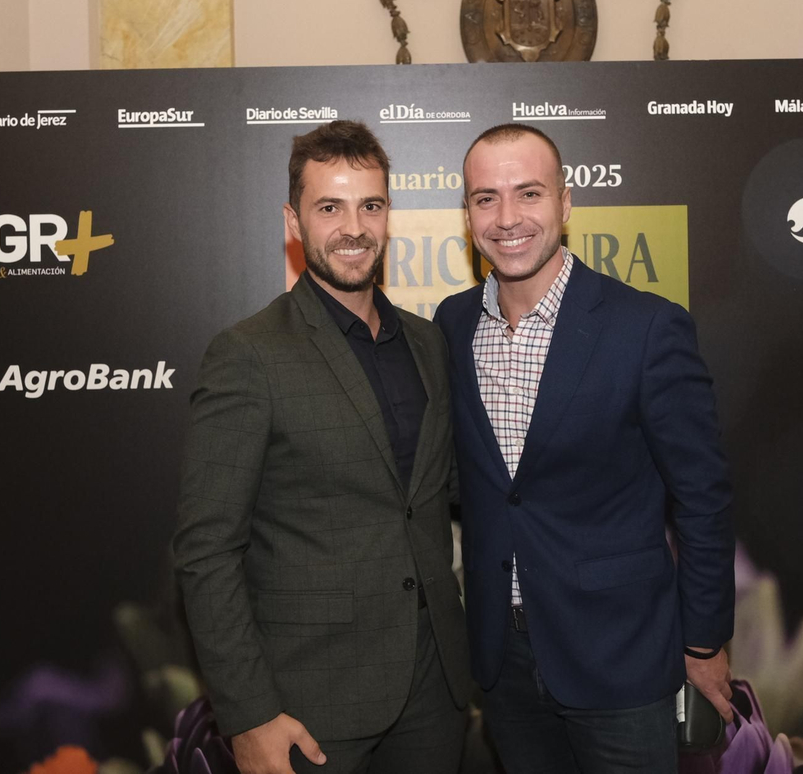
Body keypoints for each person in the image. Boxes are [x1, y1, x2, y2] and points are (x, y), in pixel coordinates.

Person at [433, 123, 736, 773]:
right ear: (467, 214)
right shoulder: (452, 324)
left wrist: (706, 642)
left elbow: (702, 499)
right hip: (501, 659)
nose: (507, 217)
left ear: (566, 203)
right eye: (486, 198)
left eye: (528, 193)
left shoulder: (647, 327)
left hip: (619, 653)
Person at [173, 120, 470, 774]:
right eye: (329, 207)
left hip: (435, 692)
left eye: (370, 204)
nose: (353, 227)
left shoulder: (428, 344)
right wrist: (248, 714)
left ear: (389, 213)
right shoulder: (249, 354)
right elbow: (206, 549)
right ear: (293, 218)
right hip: (311, 703)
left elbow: (445, 495)